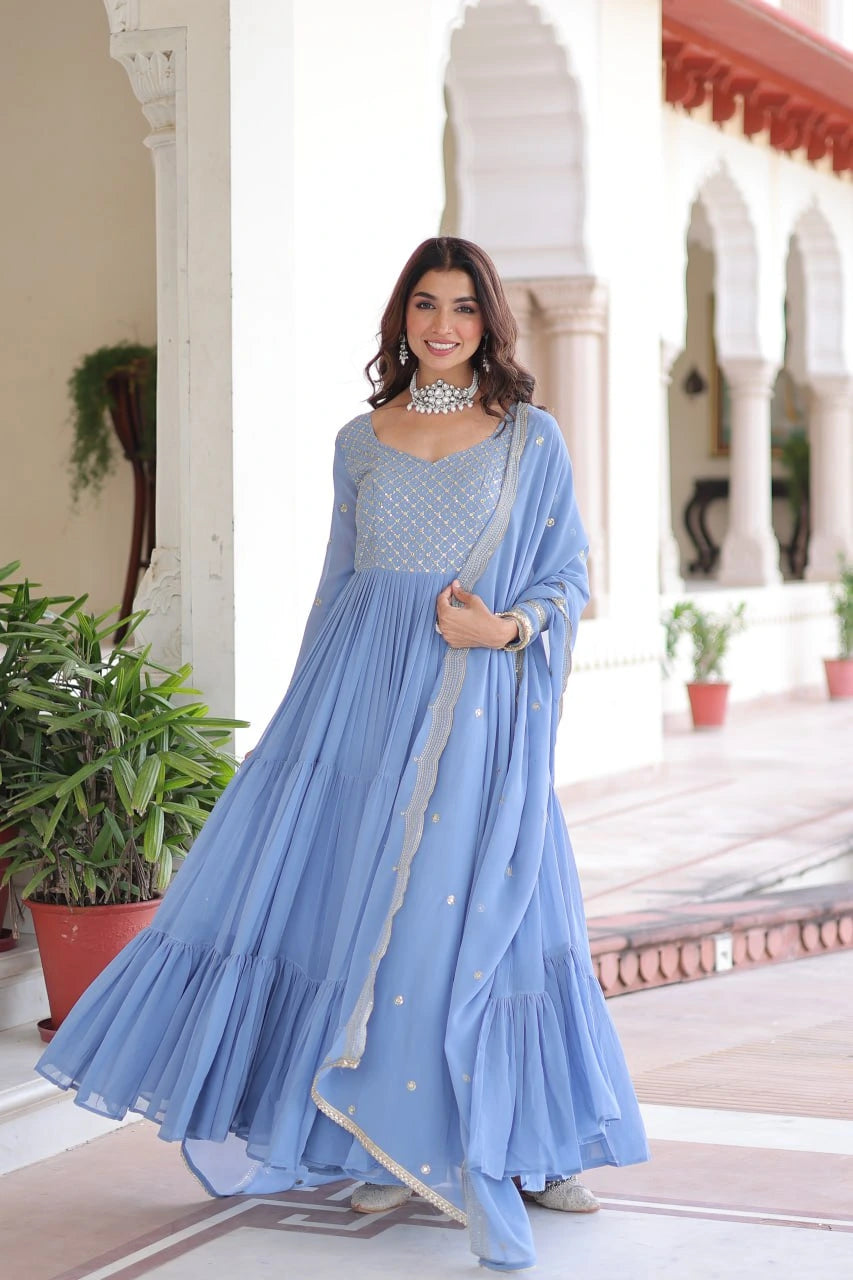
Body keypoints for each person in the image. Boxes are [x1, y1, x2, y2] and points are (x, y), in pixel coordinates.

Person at [36, 237, 649, 1272]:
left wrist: (502, 630)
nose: (443, 326)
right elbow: (336, 584)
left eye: (463, 307)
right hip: (359, 702)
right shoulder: (358, 441)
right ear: (401, 317)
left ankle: (533, 1144)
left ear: (489, 322)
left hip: (474, 704)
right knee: (366, 909)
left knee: (489, 911)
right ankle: (372, 1130)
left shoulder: (529, 438)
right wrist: (302, 726)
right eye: (425, 305)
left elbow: (566, 576)